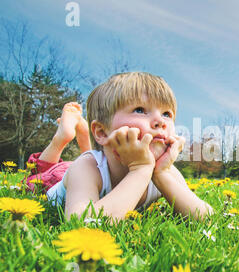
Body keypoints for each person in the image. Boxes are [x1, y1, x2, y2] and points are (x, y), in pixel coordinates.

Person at [26, 72, 213, 221]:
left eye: (166, 114)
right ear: (102, 132)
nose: (160, 122)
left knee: (90, 156)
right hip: (59, 177)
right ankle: (62, 137)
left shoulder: (164, 170)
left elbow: (206, 217)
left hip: (95, 161)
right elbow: (79, 223)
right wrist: (140, 169)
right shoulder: (85, 168)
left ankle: (83, 134)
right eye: (140, 110)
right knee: (40, 176)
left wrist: (161, 175)